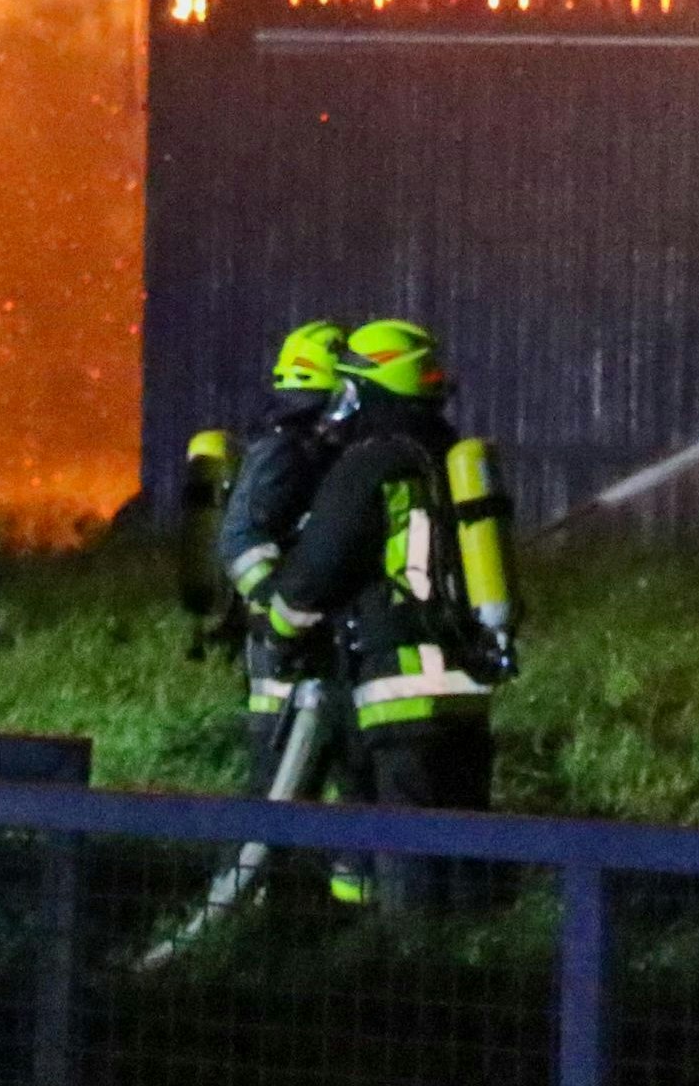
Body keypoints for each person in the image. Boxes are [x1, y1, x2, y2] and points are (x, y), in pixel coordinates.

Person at [259, 318, 517, 911]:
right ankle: (478, 966)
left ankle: (408, 978)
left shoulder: (370, 463)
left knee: (408, 863)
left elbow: (314, 574)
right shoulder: (451, 458)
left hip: (400, 696)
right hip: (467, 689)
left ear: (368, 388)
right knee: (465, 850)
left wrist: (275, 626)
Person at [219, 320, 348, 798]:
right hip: (283, 656)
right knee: (277, 788)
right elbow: (241, 541)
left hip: (306, 643)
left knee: (325, 790)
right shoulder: (285, 449)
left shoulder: (308, 446)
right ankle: (251, 873)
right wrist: (283, 610)